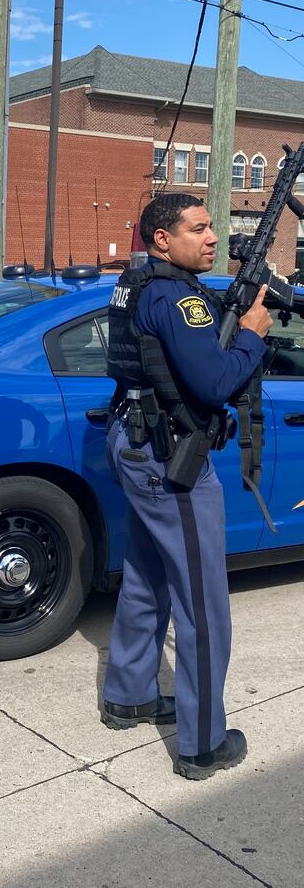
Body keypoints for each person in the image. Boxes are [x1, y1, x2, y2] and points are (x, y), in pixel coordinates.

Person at [102, 193, 272, 780]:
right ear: (161, 239)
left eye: (212, 228)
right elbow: (214, 382)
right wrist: (251, 332)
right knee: (202, 602)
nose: (211, 239)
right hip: (170, 456)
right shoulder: (177, 298)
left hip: (134, 438)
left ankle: (129, 695)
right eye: (198, 229)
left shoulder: (137, 282)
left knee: (147, 576)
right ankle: (202, 743)